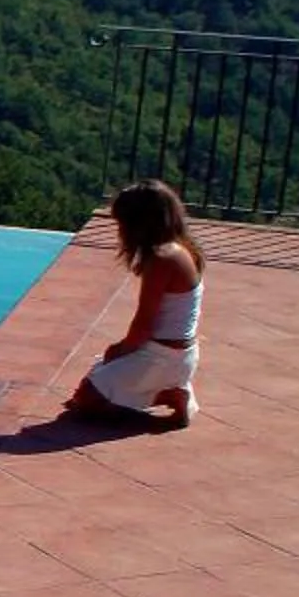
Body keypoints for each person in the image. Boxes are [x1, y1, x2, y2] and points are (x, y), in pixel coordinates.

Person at [65, 178, 204, 428]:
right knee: (97, 374)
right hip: (181, 355)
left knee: (85, 400)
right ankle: (171, 389)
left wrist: (118, 349)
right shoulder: (182, 250)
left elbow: (143, 326)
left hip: (161, 357)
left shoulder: (161, 260)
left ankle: (164, 400)